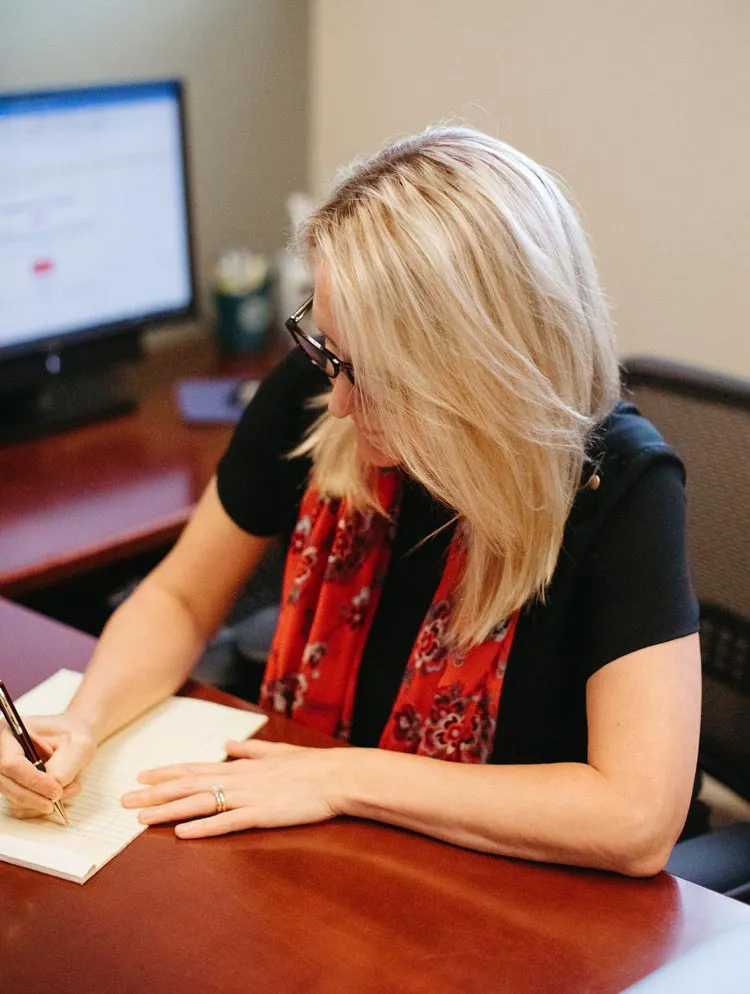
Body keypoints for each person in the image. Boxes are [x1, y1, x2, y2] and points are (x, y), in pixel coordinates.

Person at [0, 127, 701, 876]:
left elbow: (635, 817)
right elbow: (178, 597)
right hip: (313, 861)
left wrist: (341, 777)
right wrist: (84, 720)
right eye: (329, 351)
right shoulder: (315, 394)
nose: (335, 400)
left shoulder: (615, 482)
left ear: (475, 369)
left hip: (501, 895)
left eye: (372, 374)